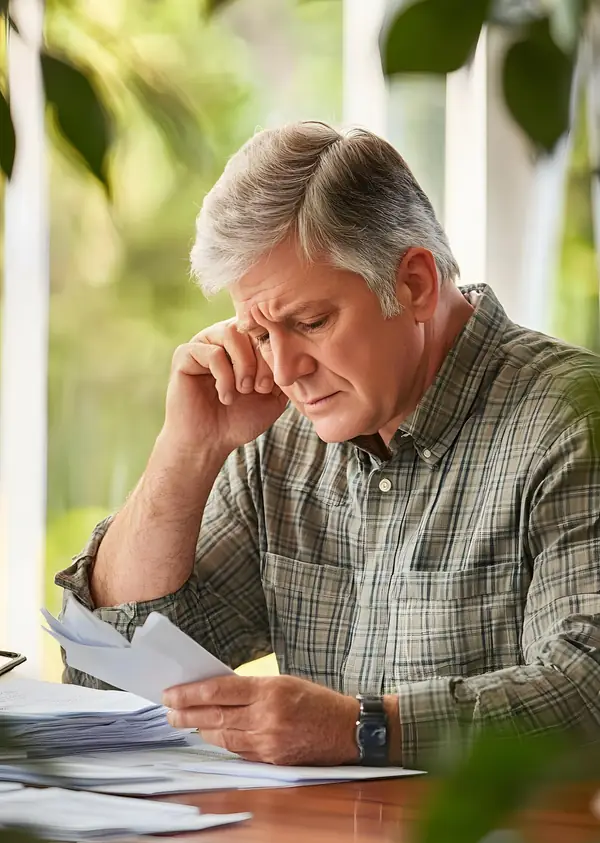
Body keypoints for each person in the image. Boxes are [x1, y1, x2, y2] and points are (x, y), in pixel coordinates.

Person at [56, 122, 600, 770]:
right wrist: (187, 449)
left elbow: (586, 688)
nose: (284, 370)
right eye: (258, 334)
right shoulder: (280, 440)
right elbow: (108, 673)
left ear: (416, 284)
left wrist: (362, 729)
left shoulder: (571, 421)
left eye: (309, 322)